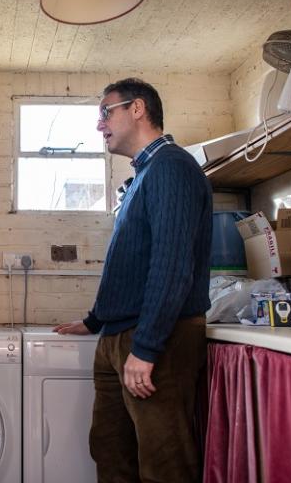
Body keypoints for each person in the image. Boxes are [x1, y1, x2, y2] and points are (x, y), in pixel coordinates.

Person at [55, 78, 212, 483]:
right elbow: (132, 262)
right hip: (118, 335)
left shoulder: (172, 167)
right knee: (110, 452)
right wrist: (94, 322)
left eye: (106, 112)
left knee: (164, 463)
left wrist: (146, 347)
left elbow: (171, 264)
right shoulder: (144, 174)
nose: (99, 124)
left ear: (137, 108)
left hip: (156, 338)